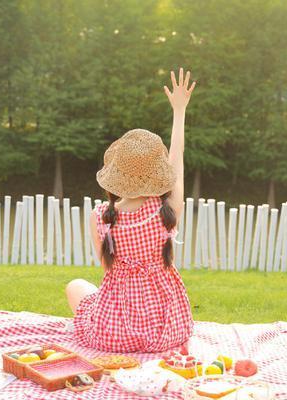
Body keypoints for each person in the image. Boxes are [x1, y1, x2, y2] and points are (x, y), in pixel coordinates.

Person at [66, 68, 196, 353]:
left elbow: (106, 269)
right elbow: (178, 159)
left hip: (115, 334)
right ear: (158, 175)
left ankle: (121, 320)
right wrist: (179, 110)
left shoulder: (100, 216)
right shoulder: (166, 212)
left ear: (114, 175)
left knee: (76, 286)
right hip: (167, 330)